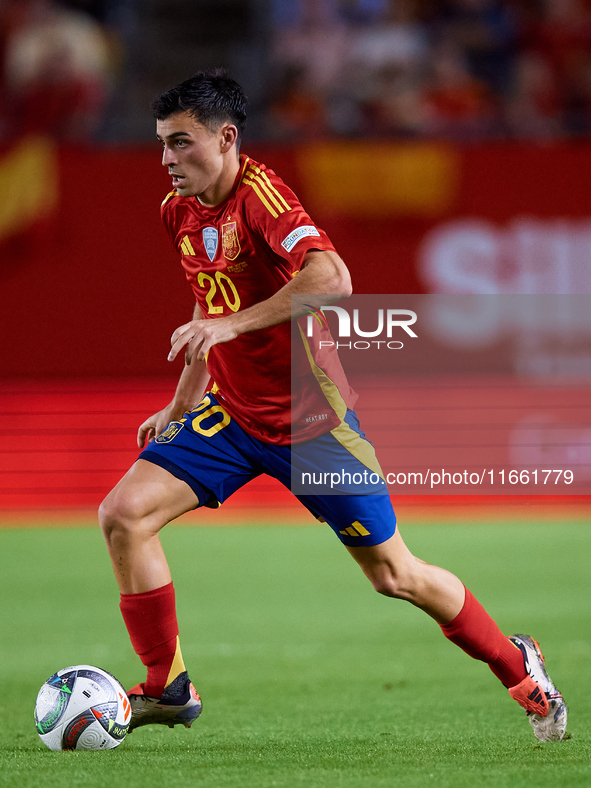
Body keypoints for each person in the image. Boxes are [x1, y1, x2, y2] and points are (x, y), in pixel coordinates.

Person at [98, 68, 567, 742]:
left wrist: (231, 328)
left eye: (182, 143)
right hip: (232, 417)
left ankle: (517, 666)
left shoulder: (262, 198)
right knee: (123, 514)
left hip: (313, 427)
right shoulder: (179, 211)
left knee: (395, 575)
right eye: (162, 144)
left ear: (226, 139)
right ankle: (166, 687)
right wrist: (180, 404)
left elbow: (333, 277)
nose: (168, 160)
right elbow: (211, 306)